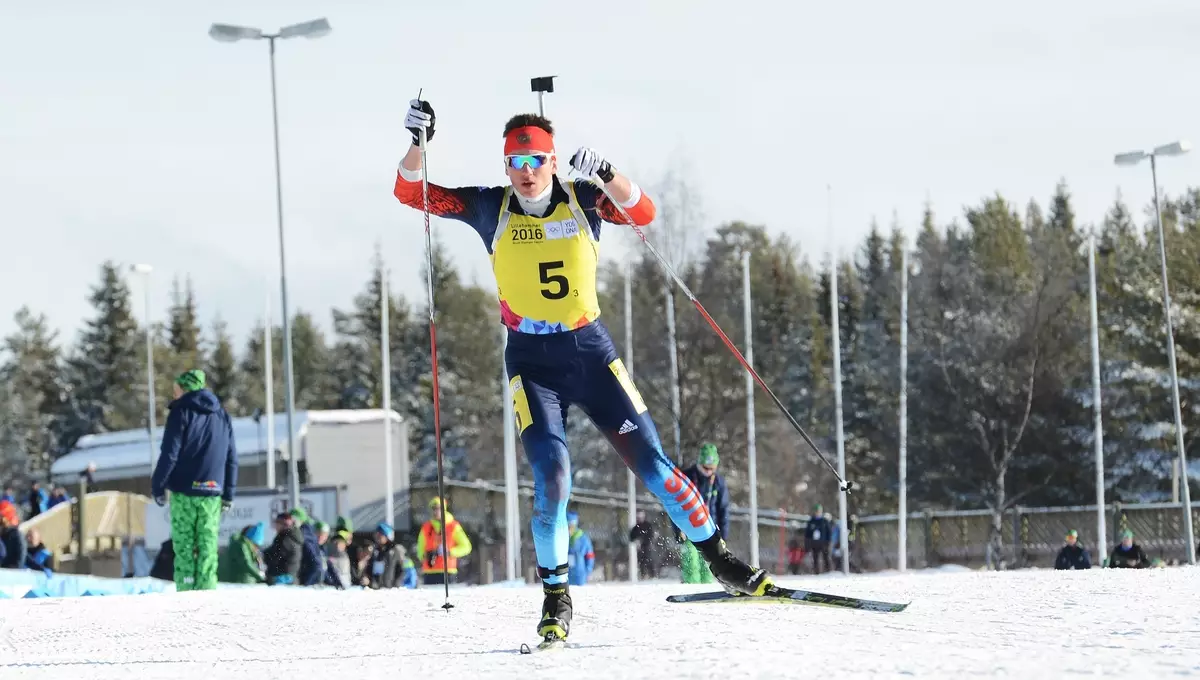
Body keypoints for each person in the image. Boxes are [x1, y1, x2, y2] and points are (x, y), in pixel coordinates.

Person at [393, 100, 771, 642]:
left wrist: (607, 171)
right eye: (516, 162)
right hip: (531, 363)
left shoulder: (583, 198)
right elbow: (412, 194)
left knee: (658, 468)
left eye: (537, 160)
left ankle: (721, 559)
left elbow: (644, 214)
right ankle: (556, 597)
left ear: (552, 160)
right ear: (506, 166)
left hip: (592, 354)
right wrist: (418, 145)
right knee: (553, 478)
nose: (527, 172)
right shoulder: (489, 207)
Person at [150, 369, 238, 592]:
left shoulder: (180, 412)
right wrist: (228, 493)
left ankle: (186, 588)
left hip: (184, 491)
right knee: (208, 543)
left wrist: (158, 485)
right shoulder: (222, 415)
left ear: (184, 388)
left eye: (176, 388)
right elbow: (231, 457)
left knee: (185, 543)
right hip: (212, 492)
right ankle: (207, 588)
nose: (174, 393)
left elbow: (170, 453)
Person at [678, 443, 731, 584]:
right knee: (691, 560)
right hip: (689, 527)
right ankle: (691, 587)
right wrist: (678, 529)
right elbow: (676, 505)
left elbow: (723, 509)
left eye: (712, 469)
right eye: (705, 468)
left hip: (710, 529)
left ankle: (707, 589)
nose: (708, 472)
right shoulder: (687, 477)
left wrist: (724, 535)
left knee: (709, 564)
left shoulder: (719, 482)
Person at [416, 497, 472, 586]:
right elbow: (420, 548)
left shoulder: (453, 526)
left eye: (438, 508)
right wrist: (425, 555)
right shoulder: (426, 527)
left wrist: (450, 552)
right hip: (429, 572)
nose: (436, 511)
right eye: (433, 509)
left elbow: (466, 547)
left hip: (448, 571)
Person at [566, 511, 595, 586]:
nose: (569, 528)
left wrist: (588, 570)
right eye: (568, 525)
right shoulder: (561, 538)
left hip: (580, 575)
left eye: (571, 525)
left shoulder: (583, 538)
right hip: (564, 576)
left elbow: (590, 555)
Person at [805, 503, 832, 574]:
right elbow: (807, 534)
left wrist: (828, 542)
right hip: (814, 543)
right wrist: (808, 544)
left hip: (823, 543)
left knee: (826, 557)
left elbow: (829, 533)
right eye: (817, 511)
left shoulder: (824, 521)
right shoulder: (811, 521)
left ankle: (828, 571)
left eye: (819, 511)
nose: (818, 513)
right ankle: (816, 572)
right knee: (815, 558)